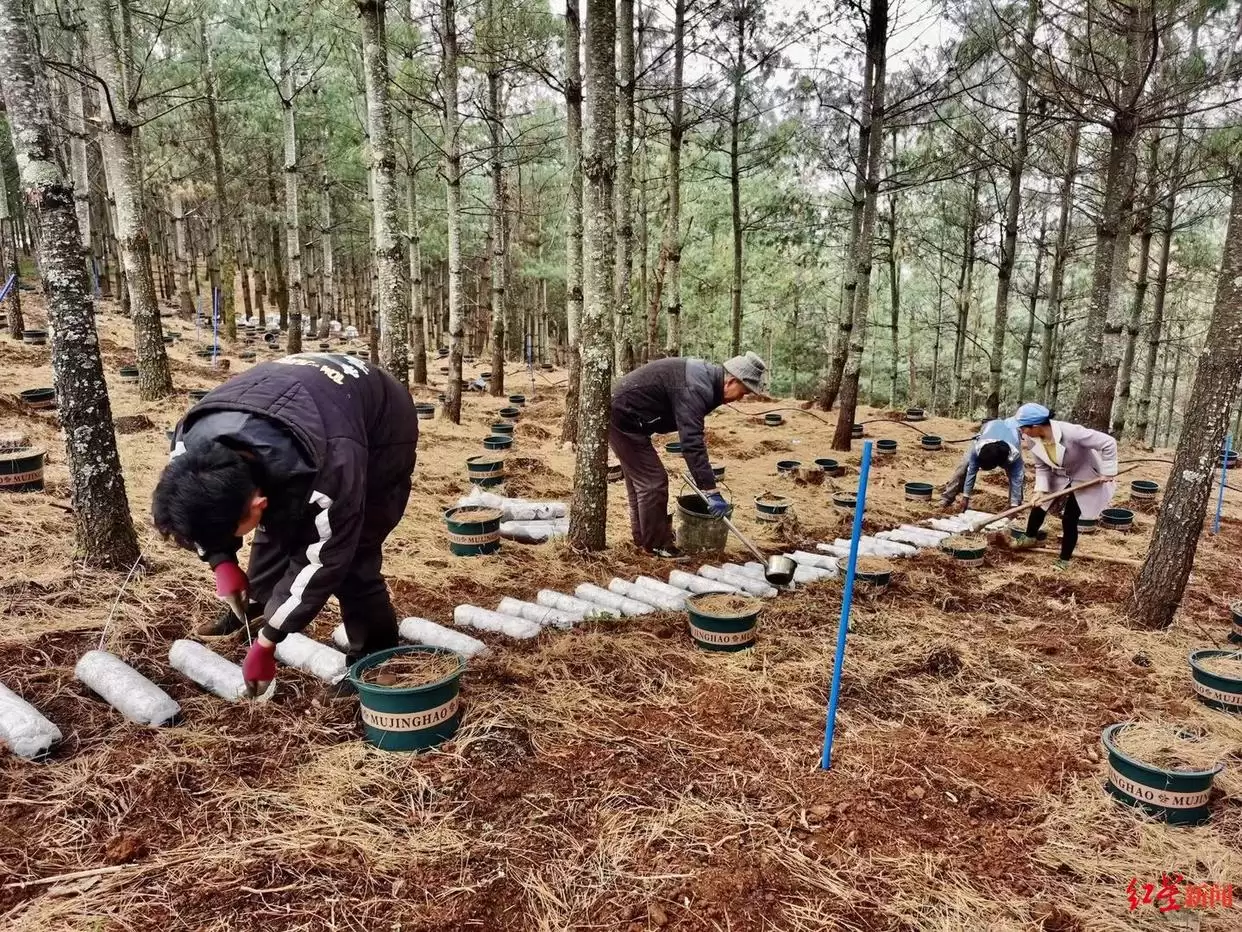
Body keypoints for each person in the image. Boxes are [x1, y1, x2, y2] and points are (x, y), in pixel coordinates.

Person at [153, 353, 419, 697]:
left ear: (256, 503)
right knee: (274, 526)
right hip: (286, 406)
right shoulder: (190, 444)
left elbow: (324, 558)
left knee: (354, 554)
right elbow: (193, 512)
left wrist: (269, 642)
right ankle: (255, 606)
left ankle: (375, 654)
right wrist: (221, 562)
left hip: (381, 422)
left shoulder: (333, 471)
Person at [610, 352, 768, 557]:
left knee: (641, 483)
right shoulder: (696, 387)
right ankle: (657, 545)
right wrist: (710, 490)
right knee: (653, 483)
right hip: (623, 418)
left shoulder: (704, 380)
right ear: (731, 381)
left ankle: (645, 538)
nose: (740, 398)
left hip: (631, 417)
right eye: (744, 392)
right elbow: (692, 442)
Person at [1009, 402, 1117, 570]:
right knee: (1039, 504)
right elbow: (1042, 466)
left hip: (1085, 475)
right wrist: (1040, 490)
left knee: (1069, 518)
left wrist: (1108, 471)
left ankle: (1064, 560)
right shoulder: (1032, 439)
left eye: (1023, 428)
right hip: (1059, 474)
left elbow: (1109, 443)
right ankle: (1030, 537)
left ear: (1036, 426)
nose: (1021, 432)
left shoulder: (1072, 433)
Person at [940, 417, 1025, 511]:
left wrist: (1014, 506)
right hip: (990, 429)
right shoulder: (977, 450)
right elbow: (971, 471)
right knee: (964, 466)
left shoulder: (1014, 456)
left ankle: (1014, 505)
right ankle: (947, 498)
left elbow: (1017, 479)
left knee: (1017, 476)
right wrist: (966, 497)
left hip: (1010, 436)